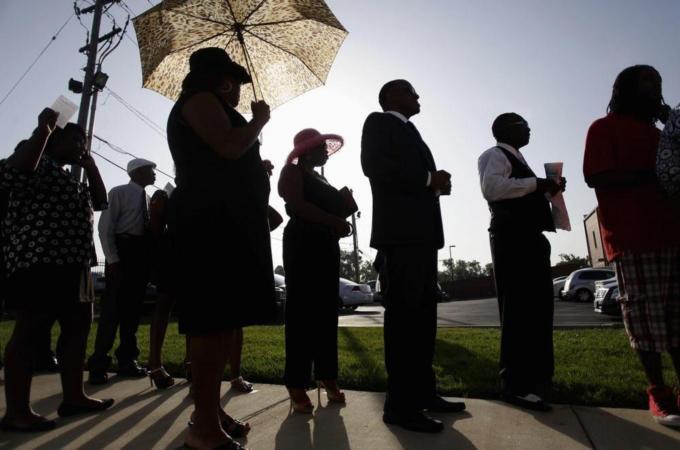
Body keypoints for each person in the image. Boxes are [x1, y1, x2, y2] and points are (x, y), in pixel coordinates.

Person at [166, 47, 275, 450]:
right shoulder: (198, 101)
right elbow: (228, 147)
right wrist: (259, 121)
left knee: (225, 320)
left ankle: (207, 411)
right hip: (209, 224)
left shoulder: (213, 103)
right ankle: (203, 430)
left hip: (229, 222)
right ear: (222, 79)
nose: (238, 92)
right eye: (235, 83)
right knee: (211, 322)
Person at [360, 79, 465, 433]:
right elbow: (374, 166)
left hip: (422, 238)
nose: (418, 96)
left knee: (423, 322)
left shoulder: (414, 132)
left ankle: (424, 394)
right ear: (391, 96)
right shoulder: (378, 122)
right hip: (399, 238)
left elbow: (416, 181)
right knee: (405, 322)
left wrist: (437, 186)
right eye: (410, 91)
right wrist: (426, 179)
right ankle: (400, 406)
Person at [0, 110, 113, 432]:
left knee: (78, 327)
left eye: (84, 142)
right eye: (76, 140)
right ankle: (17, 411)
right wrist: (43, 131)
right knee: (30, 330)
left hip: (75, 263)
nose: (81, 146)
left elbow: (100, 202)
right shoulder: (33, 158)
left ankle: (74, 396)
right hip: (40, 261)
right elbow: (13, 173)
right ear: (56, 138)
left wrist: (90, 165)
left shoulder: (68, 175)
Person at [584, 65, 680, 427]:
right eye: (646, 82)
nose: (655, 88)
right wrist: (659, 176)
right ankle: (658, 392)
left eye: (658, 82)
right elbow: (596, 175)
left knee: (676, 321)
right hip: (634, 237)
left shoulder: (664, 132)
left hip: (674, 233)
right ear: (625, 89)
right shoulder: (603, 128)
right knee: (646, 320)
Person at [478, 113, 565, 411]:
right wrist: (536, 185)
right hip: (512, 238)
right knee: (518, 309)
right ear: (505, 130)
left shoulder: (521, 161)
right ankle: (515, 384)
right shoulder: (494, 155)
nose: (529, 129)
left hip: (531, 238)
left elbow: (524, 187)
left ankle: (540, 378)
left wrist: (548, 188)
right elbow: (492, 189)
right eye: (522, 125)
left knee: (539, 308)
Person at [278, 128, 351, 413]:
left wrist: (341, 213)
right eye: (321, 148)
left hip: (325, 245)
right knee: (301, 313)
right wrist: (333, 220)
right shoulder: (292, 173)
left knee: (325, 312)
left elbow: (329, 213)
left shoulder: (322, 178)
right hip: (302, 242)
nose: (325, 152)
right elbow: (296, 205)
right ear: (306, 151)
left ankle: (326, 374)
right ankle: (296, 382)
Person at [87, 158, 157, 384]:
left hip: (139, 254)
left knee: (132, 311)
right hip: (122, 251)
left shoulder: (147, 199)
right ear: (137, 172)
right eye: (150, 170)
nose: (154, 174)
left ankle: (128, 359)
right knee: (112, 310)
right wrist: (113, 260)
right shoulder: (118, 193)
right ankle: (99, 362)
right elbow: (105, 228)